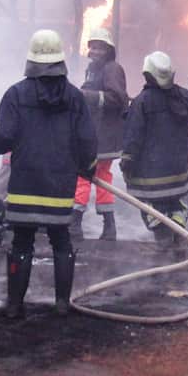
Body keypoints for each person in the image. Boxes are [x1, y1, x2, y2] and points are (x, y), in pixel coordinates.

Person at [0, 29, 97, 319]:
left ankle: (15, 305)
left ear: (31, 59)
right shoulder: (75, 97)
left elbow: (4, 137)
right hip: (59, 185)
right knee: (61, 240)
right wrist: (87, 167)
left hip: (25, 183)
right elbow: (87, 140)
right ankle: (63, 305)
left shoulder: (16, 94)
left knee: (22, 242)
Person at [119, 52, 188, 249]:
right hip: (177, 172)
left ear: (147, 74)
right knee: (172, 203)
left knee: (150, 209)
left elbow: (133, 135)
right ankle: (177, 225)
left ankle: (165, 244)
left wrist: (127, 161)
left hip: (151, 175)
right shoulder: (183, 96)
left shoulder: (142, 101)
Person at [71, 27, 128, 240]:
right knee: (102, 177)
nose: (95, 50)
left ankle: (75, 224)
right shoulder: (94, 69)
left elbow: (117, 99)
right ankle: (109, 227)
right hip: (99, 135)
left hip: (102, 136)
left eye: (99, 47)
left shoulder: (112, 69)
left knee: (83, 175)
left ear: (108, 49)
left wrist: (87, 95)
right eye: (92, 46)